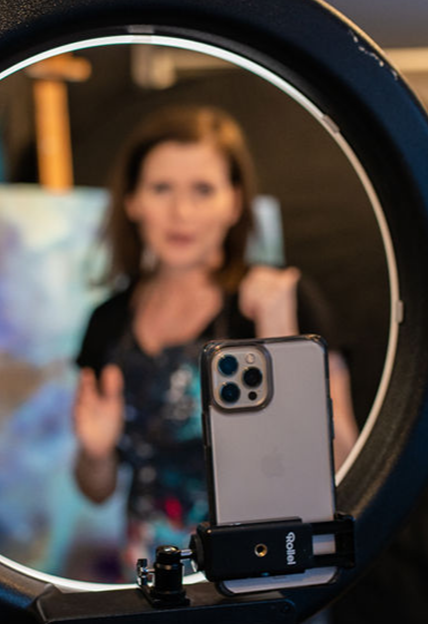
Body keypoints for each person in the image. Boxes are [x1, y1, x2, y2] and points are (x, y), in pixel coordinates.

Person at [72, 105, 358, 575]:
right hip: (153, 582)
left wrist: (279, 337)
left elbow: (342, 465)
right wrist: (95, 453)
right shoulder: (107, 321)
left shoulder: (280, 301)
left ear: (234, 202)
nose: (181, 212)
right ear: (133, 201)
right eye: (161, 188)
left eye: (203, 190)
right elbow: (96, 490)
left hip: (265, 575)